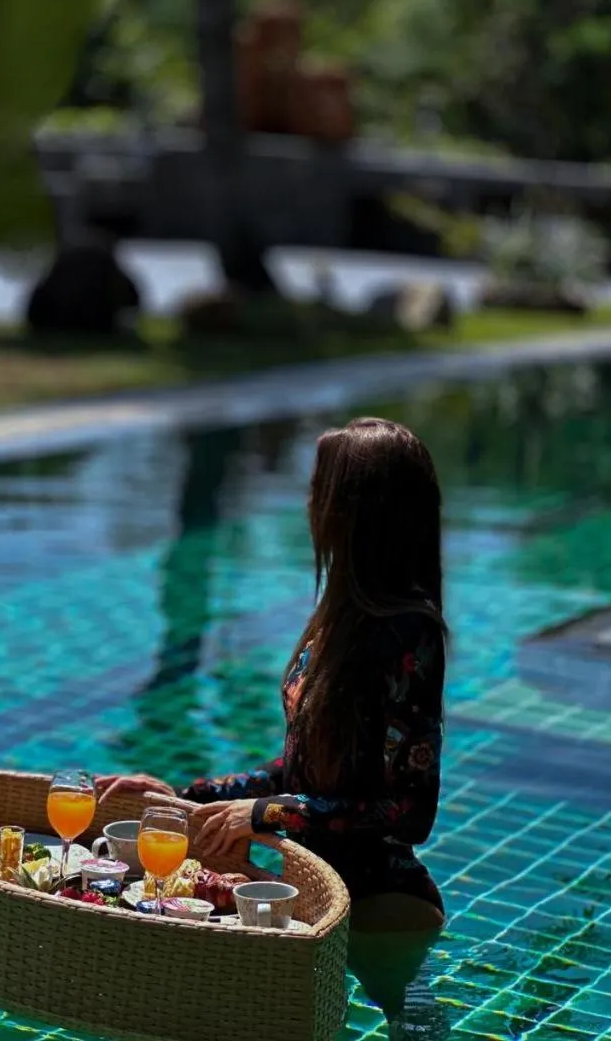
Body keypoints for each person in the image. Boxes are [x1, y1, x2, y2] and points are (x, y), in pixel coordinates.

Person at [97, 417, 447, 1022]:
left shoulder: (408, 633)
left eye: (321, 490)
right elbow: (301, 770)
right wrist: (185, 798)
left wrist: (262, 814)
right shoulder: (339, 618)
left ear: (355, 509)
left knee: (413, 1031)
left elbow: (410, 812)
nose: (309, 503)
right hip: (312, 893)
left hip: (380, 913)